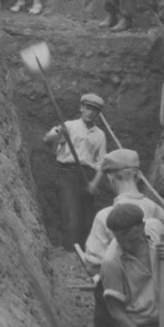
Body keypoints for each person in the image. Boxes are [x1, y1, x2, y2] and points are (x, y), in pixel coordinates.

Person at [100, 204, 164, 327]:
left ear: (142, 227)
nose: (126, 246)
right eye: (121, 241)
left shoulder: (156, 229)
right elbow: (116, 312)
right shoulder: (112, 262)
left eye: (132, 240)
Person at [42, 93, 108, 251]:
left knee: (87, 222)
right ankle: (71, 255)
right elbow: (47, 139)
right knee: (72, 220)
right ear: (81, 108)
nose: (90, 112)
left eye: (94, 110)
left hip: (87, 177)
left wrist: (94, 183)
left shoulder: (100, 135)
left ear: (98, 113)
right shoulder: (69, 126)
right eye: (87, 108)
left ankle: (85, 259)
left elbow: (101, 164)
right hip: (67, 174)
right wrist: (58, 136)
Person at [84, 149, 164, 264]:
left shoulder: (104, 216)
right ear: (139, 176)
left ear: (111, 179)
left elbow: (93, 265)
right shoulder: (160, 213)